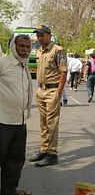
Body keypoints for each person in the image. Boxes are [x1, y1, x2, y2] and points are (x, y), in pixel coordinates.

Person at [29, 25, 68, 167]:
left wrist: (58, 93)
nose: (39, 38)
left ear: (49, 35)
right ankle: (44, 150)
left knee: (52, 124)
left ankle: (52, 154)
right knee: (43, 123)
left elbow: (63, 72)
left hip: (52, 91)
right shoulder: (39, 51)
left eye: (41, 35)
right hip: (41, 90)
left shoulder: (58, 51)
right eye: (37, 35)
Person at [0, 35, 33, 195]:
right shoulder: (3, 63)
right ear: (14, 46)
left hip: (20, 123)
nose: (25, 50)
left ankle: (9, 191)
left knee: (15, 162)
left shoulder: (24, 65)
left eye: (28, 47)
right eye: (21, 46)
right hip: (2, 122)